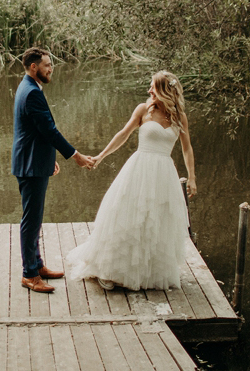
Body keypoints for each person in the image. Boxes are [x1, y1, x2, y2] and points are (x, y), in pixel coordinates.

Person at [65, 71, 198, 290]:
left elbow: (187, 148)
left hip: (164, 173)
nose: (149, 91)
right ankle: (111, 269)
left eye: (152, 87)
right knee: (128, 216)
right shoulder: (143, 110)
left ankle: (147, 272)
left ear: (164, 91)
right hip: (139, 169)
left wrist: (192, 177)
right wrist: (100, 156)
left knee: (156, 221)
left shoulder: (179, 116)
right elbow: (122, 135)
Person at [11, 48, 97, 293]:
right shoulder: (31, 93)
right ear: (33, 67)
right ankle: (29, 275)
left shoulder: (29, 87)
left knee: (35, 218)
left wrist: (49, 160)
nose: (51, 69)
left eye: (51, 64)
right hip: (29, 166)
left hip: (33, 161)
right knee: (31, 220)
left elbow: (36, 131)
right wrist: (75, 156)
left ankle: (36, 265)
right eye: (47, 65)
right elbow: (49, 130)